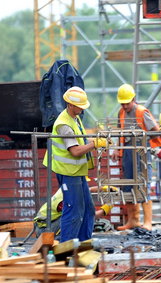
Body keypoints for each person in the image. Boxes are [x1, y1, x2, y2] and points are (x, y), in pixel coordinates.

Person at [42, 86, 108, 242]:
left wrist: (95, 140)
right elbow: (76, 151)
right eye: (80, 106)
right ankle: (67, 246)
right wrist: (95, 144)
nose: (82, 109)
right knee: (73, 210)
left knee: (88, 209)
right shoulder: (63, 124)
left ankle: (84, 242)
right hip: (67, 171)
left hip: (76, 171)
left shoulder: (74, 117)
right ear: (70, 105)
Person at [111, 84, 161, 231]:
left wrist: (158, 145)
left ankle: (148, 222)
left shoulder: (142, 112)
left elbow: (156, 131)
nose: (124, 106)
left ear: (134, 99)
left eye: (127, 103)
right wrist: (117, 149)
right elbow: (120, 132)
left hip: (142, 152)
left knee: (143, 185)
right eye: (122, 103)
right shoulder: (121, 113)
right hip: (128, 153)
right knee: (128, 186)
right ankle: (133, 220)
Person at [33, 185, 116, 237]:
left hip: (44, 224)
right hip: (44, 230)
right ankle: (60, 240)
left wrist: (102, 188)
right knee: (76, 218)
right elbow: (87, 217)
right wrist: (107, 208)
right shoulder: (68, 200)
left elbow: (87, 189)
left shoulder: (67, 187)